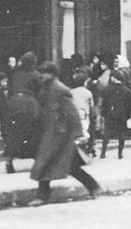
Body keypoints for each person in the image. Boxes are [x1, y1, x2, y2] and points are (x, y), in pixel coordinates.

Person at [29, 61, 100, 206]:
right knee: (57, 165)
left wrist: (79, 133)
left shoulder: (60, 89)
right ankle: (93, 186)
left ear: (52, 74)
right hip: (49, 134)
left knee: (50, 164)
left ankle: (43, 196)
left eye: (44, 72)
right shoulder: (44, 88)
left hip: (60, 136)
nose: (41, 75)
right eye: (41, 72)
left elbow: (72, 113)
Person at [3, 52, 41, 174]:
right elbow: (39, 92)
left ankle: (9, 158)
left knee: (14, 131)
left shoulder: (16, 74)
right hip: (29, 104)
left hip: (14, 103)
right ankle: (36, 159)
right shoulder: (36, 75)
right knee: (34, 131)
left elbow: (10, 89)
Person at [99, 68, 131, 159]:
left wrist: (103, 113)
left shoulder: (107, 89)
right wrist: (128, 115)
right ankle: (120, 153)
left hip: (110, 114)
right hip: (122, 115)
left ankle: (103, 152)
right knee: (121, 134)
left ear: (113, 78)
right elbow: (129, 105)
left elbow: (104, 104)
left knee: (107, 132)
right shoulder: (127, 91)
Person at [70, 72, 95, 157]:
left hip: (74, 115)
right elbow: (91, 105)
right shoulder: (87, 92)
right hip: (85, 116)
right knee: (88, 133)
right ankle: (89, 149)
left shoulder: (71, 92)